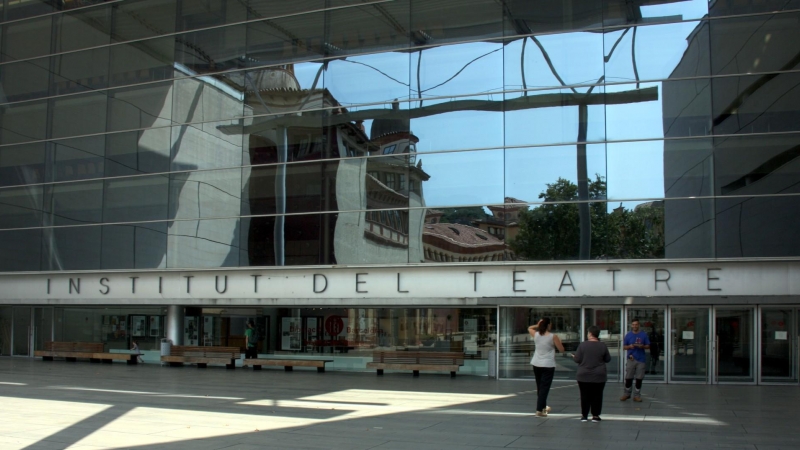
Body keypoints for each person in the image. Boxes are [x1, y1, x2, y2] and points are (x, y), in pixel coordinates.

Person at [573, 326, 611, 423]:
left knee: (584, 395)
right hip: (599, 375)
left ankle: (584, 415)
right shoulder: (602, 345)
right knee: (597, 395)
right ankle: (595, 415)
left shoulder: (582, 345)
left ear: (590, 334)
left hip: (584, 374)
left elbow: (577, 359)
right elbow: (607, 359)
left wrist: (575, 357)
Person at [528, 317, 565, 417]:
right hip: (548, 365)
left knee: (540, 387)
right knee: (544, 388)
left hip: (536, 363)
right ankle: (539, 410)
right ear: (548, 325)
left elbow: (529, 328)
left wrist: (537, 325)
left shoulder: (535, 334)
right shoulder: (553, 336)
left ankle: (543, 408)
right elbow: (561, 349)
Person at [621, 319, 650, 402]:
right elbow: (624, 347)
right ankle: (626, 394)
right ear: (631, 325)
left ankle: (637, 395)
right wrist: (630, 346)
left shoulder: (643, 335)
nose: (634, 326)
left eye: (636, 324)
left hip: (641, 359)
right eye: (633, 324)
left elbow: (648, 346)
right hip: (631, 359)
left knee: (639, 378)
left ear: (639, 325)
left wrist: (643, 346)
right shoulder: (628, 335)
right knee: (628, 377)